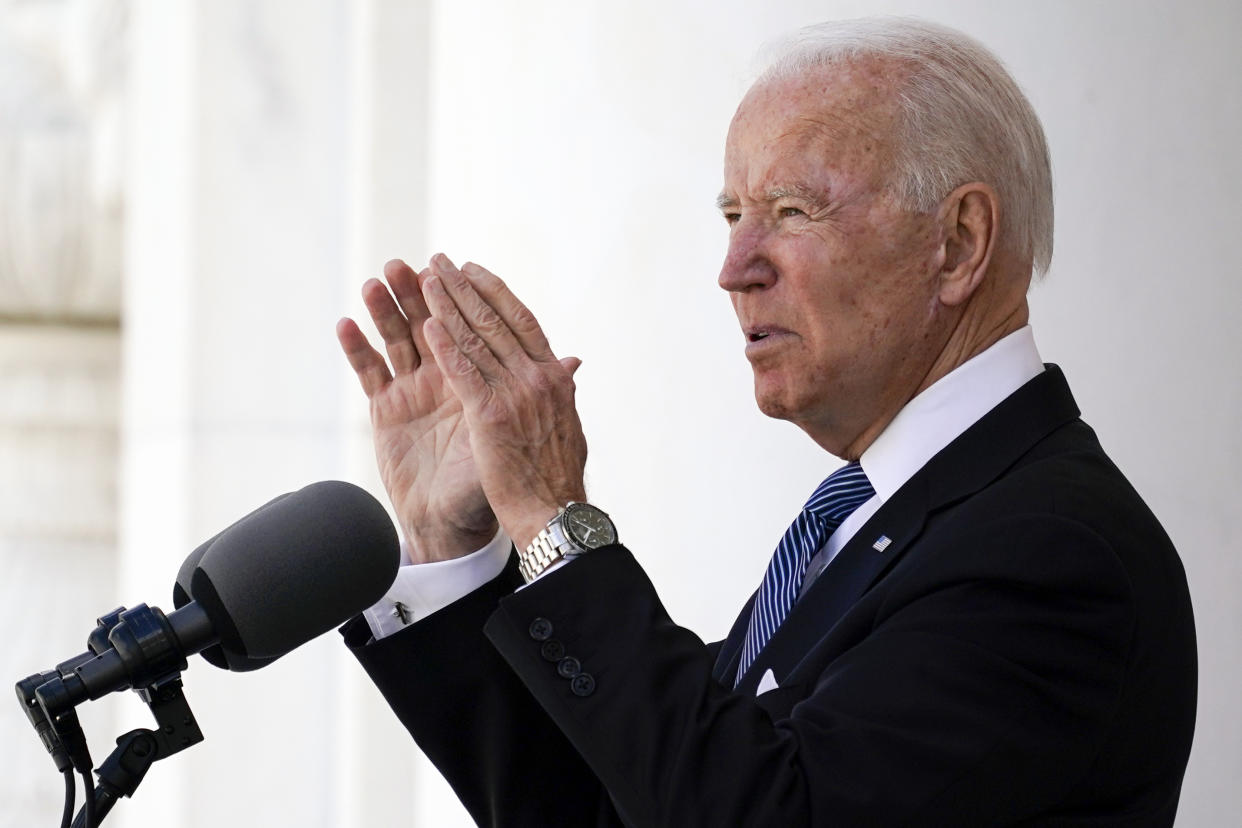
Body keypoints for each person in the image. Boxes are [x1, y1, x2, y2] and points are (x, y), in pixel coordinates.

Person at [335, 17, 1196, 827]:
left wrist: (557, 526)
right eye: (732, 216)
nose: (735, 268)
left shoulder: (1051, 550)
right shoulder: (872, 515)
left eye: (791, 211)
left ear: (959, 243)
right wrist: (449, 544)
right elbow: (623, 805)